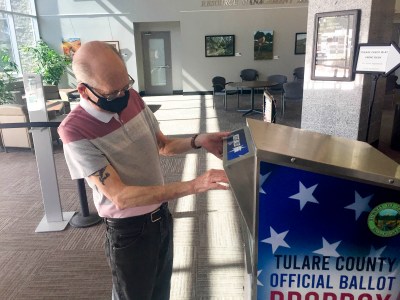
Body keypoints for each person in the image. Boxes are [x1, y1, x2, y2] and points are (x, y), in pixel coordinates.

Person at [58, 41, 230, 300]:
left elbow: (162, 145)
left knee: (161, 292)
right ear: (83, 90)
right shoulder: (74, 131)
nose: (123, 96)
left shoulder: (132, 98)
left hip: (160, 216)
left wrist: (198, 140)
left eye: (125, 85)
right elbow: (121, 197)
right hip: (128, 231)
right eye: (112, 93)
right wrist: (195, 184)